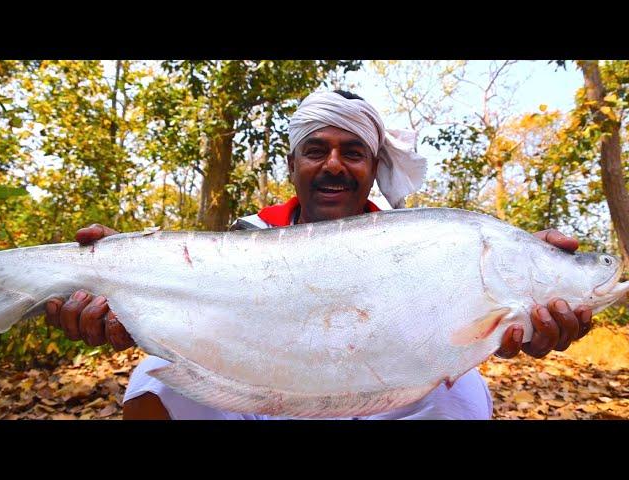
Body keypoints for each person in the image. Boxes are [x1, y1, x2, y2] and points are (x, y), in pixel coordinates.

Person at [44, 90, 593, 420]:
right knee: (153, 383)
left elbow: (452, 329)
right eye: (316, 149)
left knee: (466, 397)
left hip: (378, 392)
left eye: (353, 152)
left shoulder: (418, 244)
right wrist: (118, 277)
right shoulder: (247, 237)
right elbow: (198, 313)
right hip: (261, 388)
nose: (333, 164)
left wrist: (530, 291)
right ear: (294, 165)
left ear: (372, 169)